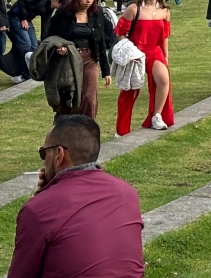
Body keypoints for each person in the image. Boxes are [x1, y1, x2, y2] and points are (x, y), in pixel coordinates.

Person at [8, 114, 143, 278]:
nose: (44, 161)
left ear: (59, 154)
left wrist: (41, 202)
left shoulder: (38, 210)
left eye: (44, 153)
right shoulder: (127, 193)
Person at [114, 0, 174, 134]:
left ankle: (156, 115)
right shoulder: (134, 8)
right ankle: (121, 130)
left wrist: (165, 56)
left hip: (155, 52)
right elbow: (120, 32)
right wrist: (127, 49)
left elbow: (165, 36)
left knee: (163, 80)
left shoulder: (165, 11)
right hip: (136, 54)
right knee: (130, 92)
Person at [46, 0, 113, 118]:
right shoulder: (64, 13)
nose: (89, 0)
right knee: (68, 99)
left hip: (90, 59)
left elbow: (100, 42)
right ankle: (63, 128)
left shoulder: (96, 13)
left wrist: (106, 71)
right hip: (68, 60)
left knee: (89, 98)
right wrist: (59, 48)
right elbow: (50, 37)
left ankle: (86, 129)